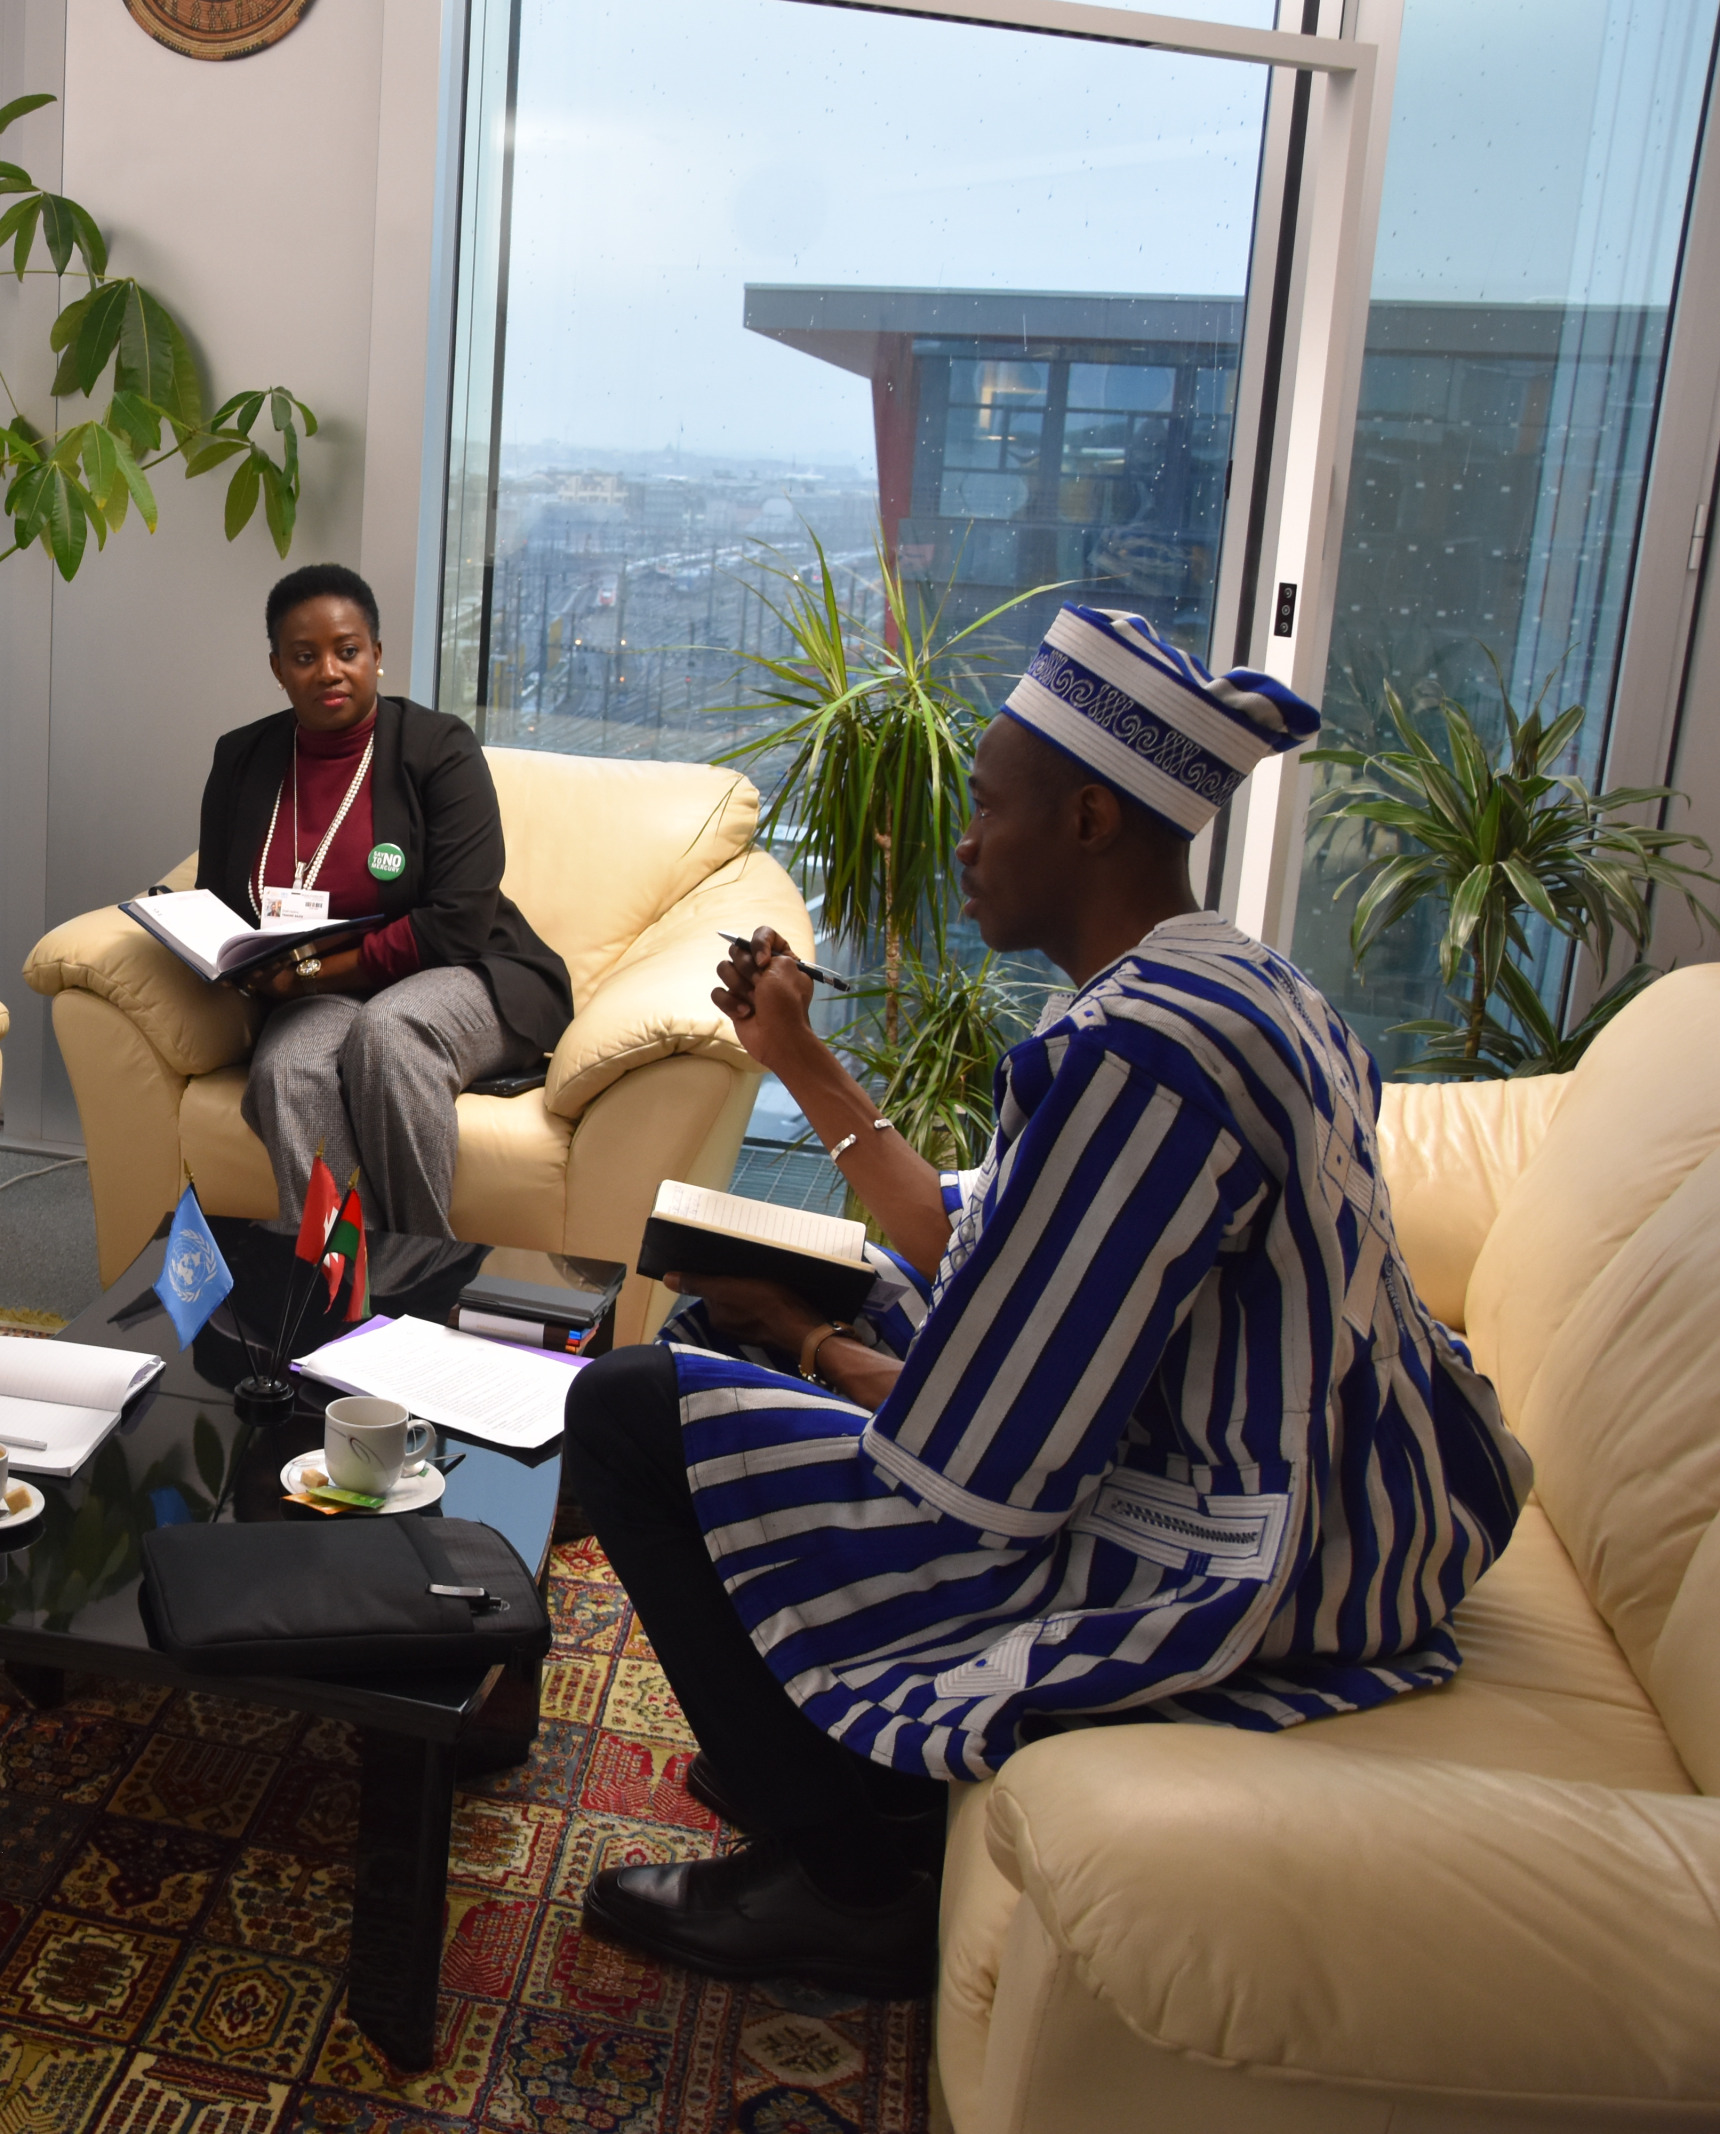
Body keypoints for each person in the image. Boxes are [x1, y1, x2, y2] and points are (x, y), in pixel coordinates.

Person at [564, 605, 1529, 1999]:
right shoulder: (1238, 979)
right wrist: (796, 1054)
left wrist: (806, 1338)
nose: (962, 840)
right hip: (1361, 1482)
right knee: (774, 1306)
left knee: (634, 1405)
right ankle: (839, 1757)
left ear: (1088, 819)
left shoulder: (1135, 1062)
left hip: (1261, 1554)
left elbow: (985, 1466)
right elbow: (975, 1244)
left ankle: (839, 1872)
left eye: (990, 808)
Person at [200, 563, 572, 1237]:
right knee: (285, 1071)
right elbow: (223, 900)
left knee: (389, 1034)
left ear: (377, 654)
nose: (329, 672)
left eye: (347, 651)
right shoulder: (243, 759)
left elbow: (457, 923)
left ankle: (421, 1282)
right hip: (315, 991)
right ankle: (345, 1287)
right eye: (305, 657)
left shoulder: (439, 748)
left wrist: (309, 972)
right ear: (278, 668)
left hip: (465, 973)